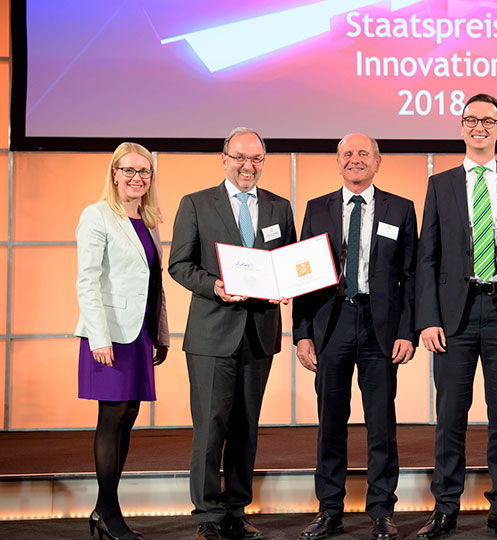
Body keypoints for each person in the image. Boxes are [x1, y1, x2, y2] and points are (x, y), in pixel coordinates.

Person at [415, 94, 497, 539]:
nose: (479, 127)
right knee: (450, 418)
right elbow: (427, 256)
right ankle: (445, 508)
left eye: (488, 121)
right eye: (471, 119)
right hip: (453, 316)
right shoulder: (441, 184)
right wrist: (428, 319)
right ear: (461, 127)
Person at [169, 128, 296, 540]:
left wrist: (287, 284)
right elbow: (179, 264)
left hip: (259, 333)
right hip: (212, 335)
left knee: (246, 427)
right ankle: (206, 514)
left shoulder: (279, 206)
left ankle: (236, 510)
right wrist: (215, 287)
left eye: (256, 159)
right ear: (224, 159)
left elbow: (287, 262)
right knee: (210, 428)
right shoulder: (196, 203)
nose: (248, 166)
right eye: (240, 157)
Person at [293, 133, 418, 540]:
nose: (355, 159)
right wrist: (302, 333)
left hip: (380, 327)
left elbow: (410, 276)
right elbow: (302, 276)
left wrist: (408, 332)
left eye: (364, 153)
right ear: (338, 162)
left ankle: (382, 510)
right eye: (347, 154)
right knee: (331, 421)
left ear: (378, 162)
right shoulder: (317, 208)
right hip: (331, 323)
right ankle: (330, 509)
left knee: (381, 423)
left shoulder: (401, 208)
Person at [75, 142, 170, 540]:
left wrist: (160, 334)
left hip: (139, 334)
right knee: (111, 418)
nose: (137, 177)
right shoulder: (96, 215)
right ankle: (109, 514)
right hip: (109, 336)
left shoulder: (148, 220)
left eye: (144, 171)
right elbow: (87, 281)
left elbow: (154, 283)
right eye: (129, 170)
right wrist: (99, 337)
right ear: (114, 173)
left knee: (127, 417)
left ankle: (103, 509)